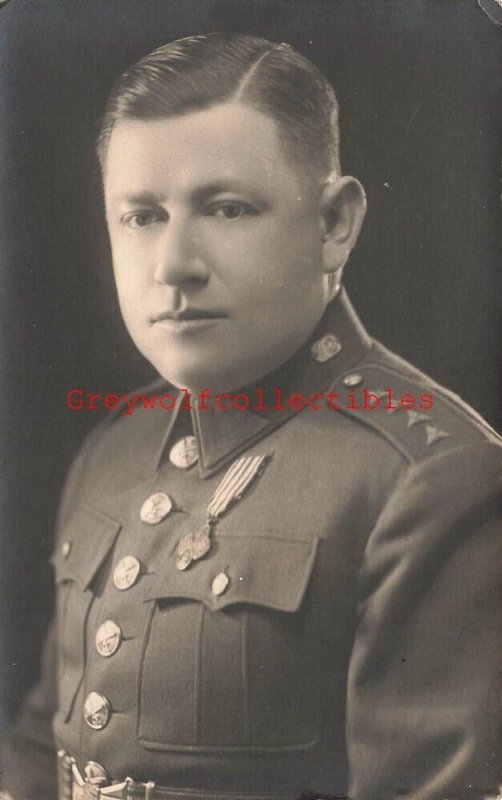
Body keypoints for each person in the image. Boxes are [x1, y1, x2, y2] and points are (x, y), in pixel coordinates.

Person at [1, 32, 500, 800]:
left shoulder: (432, 480)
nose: (172, 265)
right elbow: (43, 749)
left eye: (226, 208)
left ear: (334, 224)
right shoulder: (114, 447)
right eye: (141, 216)